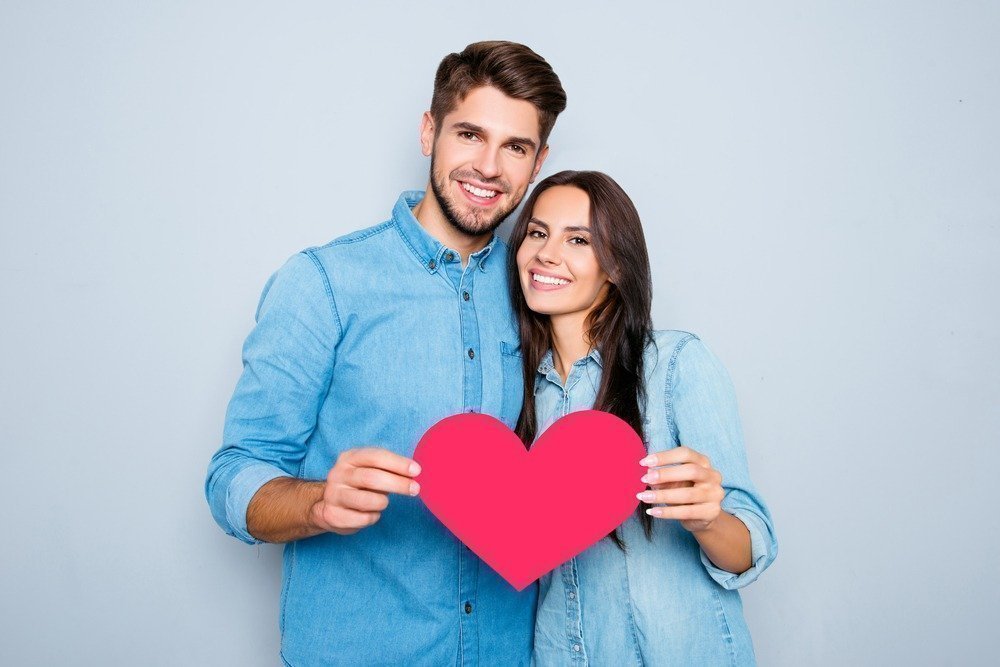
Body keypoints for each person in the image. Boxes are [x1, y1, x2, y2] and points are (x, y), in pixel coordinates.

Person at [205, 41, 566, 665]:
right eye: (470, 134)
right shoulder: (324, 283)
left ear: (539, 162)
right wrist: (317, 503)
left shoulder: (543, 290)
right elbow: (233, 475)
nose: (488, 167)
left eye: (515, 147)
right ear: (429, 132)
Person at [507, 170, 778, 665]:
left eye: (578, 240)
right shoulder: (518, 393)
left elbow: (749, 550)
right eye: (537, 233)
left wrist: (708, 518)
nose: (547, 254)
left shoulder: (675, 365)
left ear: (615, 265)